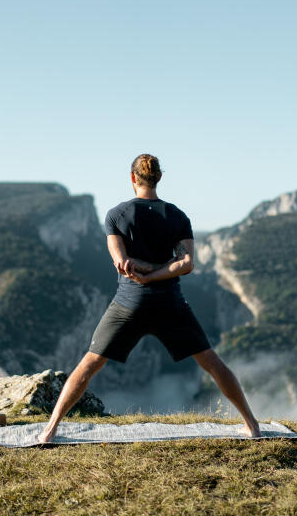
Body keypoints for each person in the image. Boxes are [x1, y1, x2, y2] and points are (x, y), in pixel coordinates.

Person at [36, 154, 261, 443]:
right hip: (171, 304)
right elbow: (187, 263)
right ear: (159, 178)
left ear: (133, 179)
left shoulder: (116, 215)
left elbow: (122, 262)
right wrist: (158, 273)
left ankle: (49, 430)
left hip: (129, 304)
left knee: (89, 364)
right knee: (213, 364)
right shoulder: (178, 216)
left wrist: (142, 272)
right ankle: (252, 426)